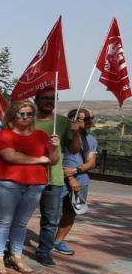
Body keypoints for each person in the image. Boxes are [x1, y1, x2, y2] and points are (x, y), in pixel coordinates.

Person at [0, 100, 59, 274]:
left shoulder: (42, 135)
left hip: (35, 184)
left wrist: (54, 149)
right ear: (13, 115)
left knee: (21, 223)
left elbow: (53, 160)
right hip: (8, 183)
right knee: (3, 221)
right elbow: (11, 156)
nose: (26, 117)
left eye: (30, 114)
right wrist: (39, 159)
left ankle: (16, 255)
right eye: (22, 113)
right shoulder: (3, 135)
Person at [32, 89, 79, 266]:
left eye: (52, 98)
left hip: (54, 177)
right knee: (19, 217)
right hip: (29, 177)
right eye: (44, 98)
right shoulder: (27, 119)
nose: (49, 101)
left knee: (50, 219)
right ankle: (12, 250)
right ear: (36, 100)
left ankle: (44, 251)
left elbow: (74, 150)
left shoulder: (63, 122)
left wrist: (76, 132)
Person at [55, 108, 97, 256]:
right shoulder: (61, 137)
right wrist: (70, 177)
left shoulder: (91, 140)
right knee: (51, 213)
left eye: (90, 119)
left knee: (71, 213)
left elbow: (91, 162)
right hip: (60, 180)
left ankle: (58, 241)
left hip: (82, 181)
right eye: (84, 119)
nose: (89, 122)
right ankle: (45, 243)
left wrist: (76, 171)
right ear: (72, 120)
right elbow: (57, 160)